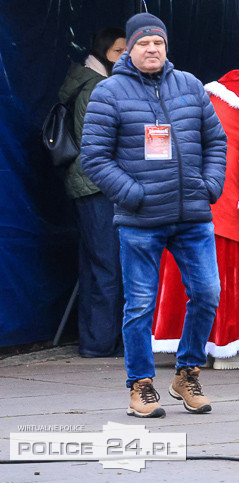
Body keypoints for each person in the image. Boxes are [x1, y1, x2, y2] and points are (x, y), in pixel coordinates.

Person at [80, 13, 227, 418]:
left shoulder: (190, 86)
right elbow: (93, 157)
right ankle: (140, 385)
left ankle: (187, 374)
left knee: (208, 294)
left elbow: (216, 139)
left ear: (166, 47)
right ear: (129, 48)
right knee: (140, 304)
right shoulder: (109, 92)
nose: (152, 50)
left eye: (158, 43)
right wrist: (133, 194)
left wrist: (211, 184)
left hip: (193, 216)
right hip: (140, 221)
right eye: (143, 43)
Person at [152, 65, 239, 369]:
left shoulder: (214, 92)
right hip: (221, 198)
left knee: (181, 271)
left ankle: (187, 344)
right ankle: (227, 349)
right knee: (226, 273)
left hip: (181, 194)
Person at [59, 27, 126, 358]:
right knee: (108, 265)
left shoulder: (85, 80)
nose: (124, 58)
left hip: (87, 183)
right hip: (98, 184)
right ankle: (100, 344)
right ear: (103, 52)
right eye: (117, 52)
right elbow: (100, 143)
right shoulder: (98, 86)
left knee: (95, 263)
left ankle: (97, 339)